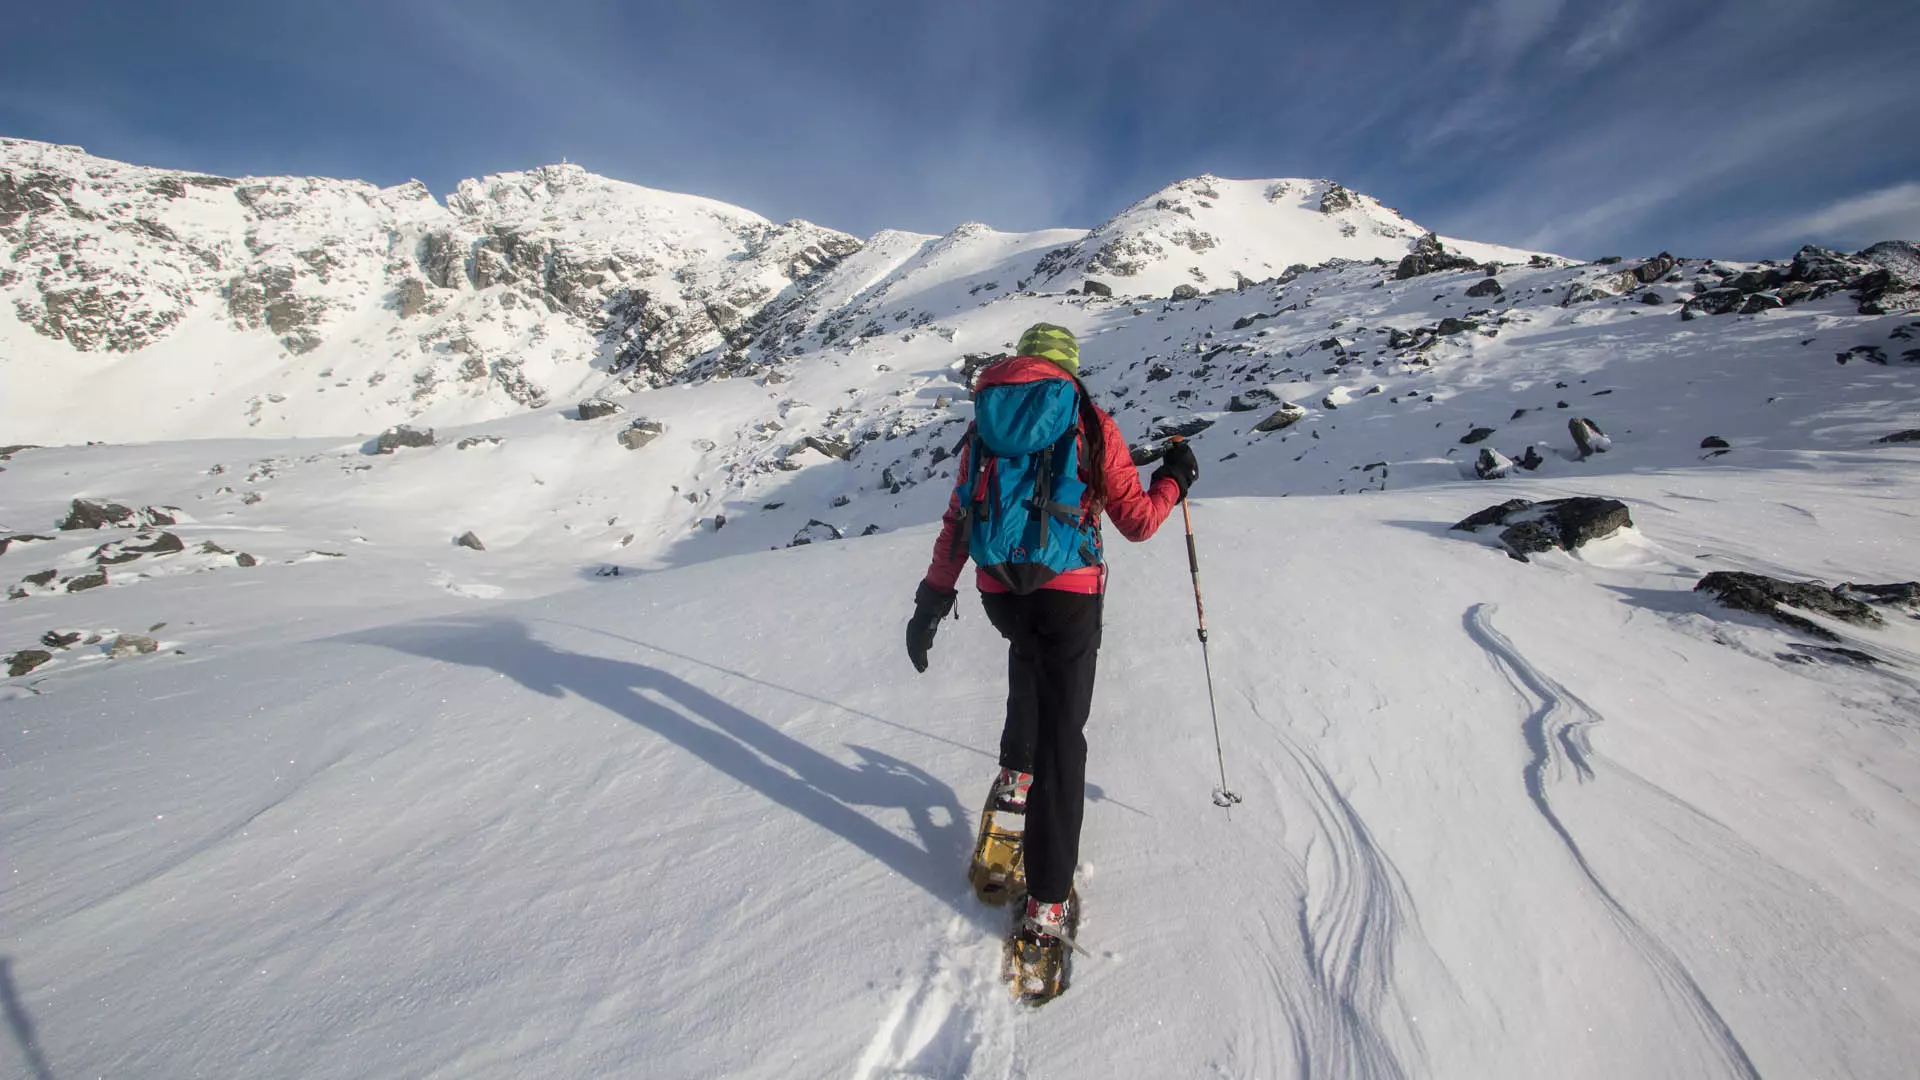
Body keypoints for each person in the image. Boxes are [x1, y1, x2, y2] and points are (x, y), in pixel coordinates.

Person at [904, 322, 1198, 942]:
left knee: (1026, 652)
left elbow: (959, 519)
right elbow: (1138, 522)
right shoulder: (1090, 421)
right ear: (1069, 367)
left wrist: (932, 601)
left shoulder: (986, 423)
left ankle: (1016, 774)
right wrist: (1175, 479)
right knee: (1065, 738)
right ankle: (1047, 902)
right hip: (1069, 595)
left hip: (999, 593)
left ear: (1021, 364)